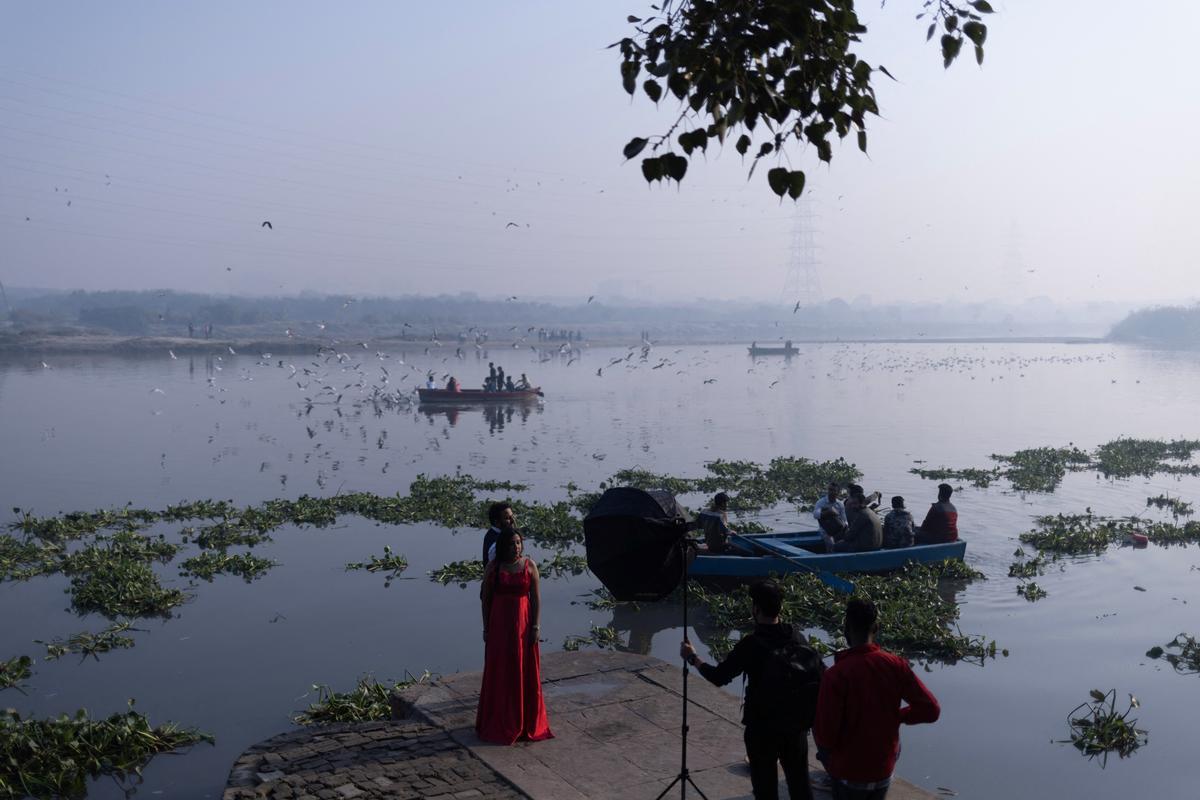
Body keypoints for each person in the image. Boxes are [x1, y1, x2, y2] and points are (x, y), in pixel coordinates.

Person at [681, 580, 824, 800]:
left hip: (762, 730)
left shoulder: (751, 645)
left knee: (765, 792)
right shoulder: (797, 637)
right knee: (800, 789)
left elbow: (719, 677)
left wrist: (693, 657)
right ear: (780, 608)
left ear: (755, 609)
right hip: (795, 728)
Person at [814, 599, 940, 799]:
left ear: (846, 628)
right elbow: (931, 710)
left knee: (817, 728)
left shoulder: (836, 675)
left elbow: (826, 736)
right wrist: (896, 716)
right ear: (876, 628)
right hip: (882, 770)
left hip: (848, 773)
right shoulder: (896, 665)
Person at [476, 527, 553, 745]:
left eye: (518, 543)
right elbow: (486, 601)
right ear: (503, 546)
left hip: (524, 625)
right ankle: (501, 720)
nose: (516, 547)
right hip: (500, 625)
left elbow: (536, 598)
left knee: (523, 670)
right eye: (511, 543)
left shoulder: (529, 566)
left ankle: (526, 721)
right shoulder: (494, 568)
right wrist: (486, 629)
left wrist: (536, 627)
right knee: (501, 671)